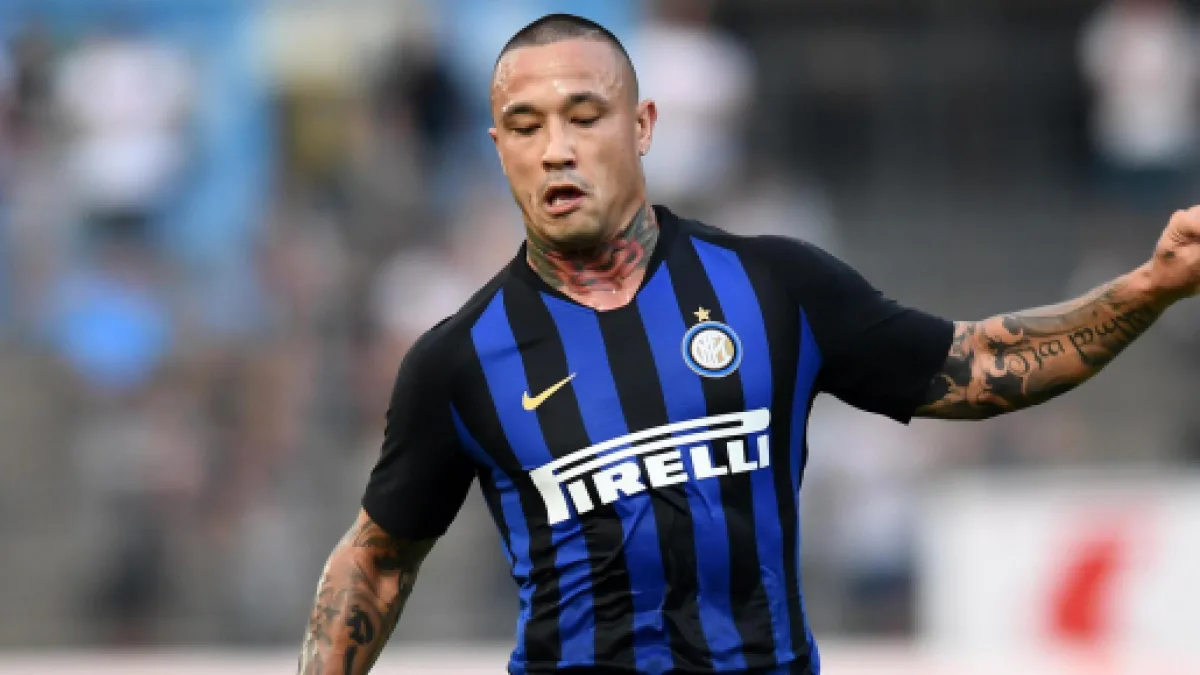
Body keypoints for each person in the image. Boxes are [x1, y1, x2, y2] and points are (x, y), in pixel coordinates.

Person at [297, 13, 1200, 675]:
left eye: (584, 116)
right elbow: (375, 561)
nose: (556, 149)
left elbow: (977, 366)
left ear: (642, 126)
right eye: (527, 127)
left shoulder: (773, 287)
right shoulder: (461, 359)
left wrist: (1149, 285)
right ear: (499, 148)